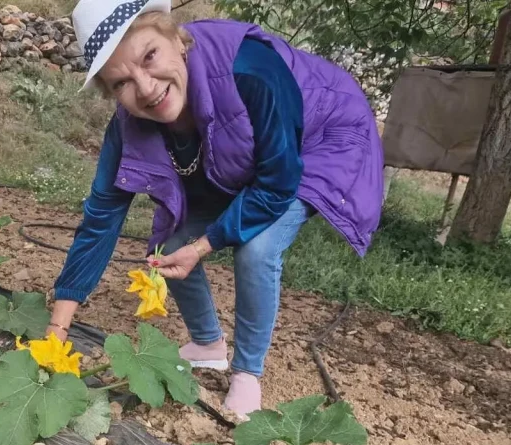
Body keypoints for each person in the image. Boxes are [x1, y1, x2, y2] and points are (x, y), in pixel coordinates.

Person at [44, 0, 385, 418]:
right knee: (170, 242)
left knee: (257, 248)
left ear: (176, 37)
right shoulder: (128, 125)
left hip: (321, 137)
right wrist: (57, 330)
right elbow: (102, 218)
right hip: (242, 154)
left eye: (149, 56)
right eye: (122, 83)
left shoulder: (250, 68)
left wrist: (206, 244)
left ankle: (247, 373)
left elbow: (276, 183)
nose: (146, 87)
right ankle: (207, 345)